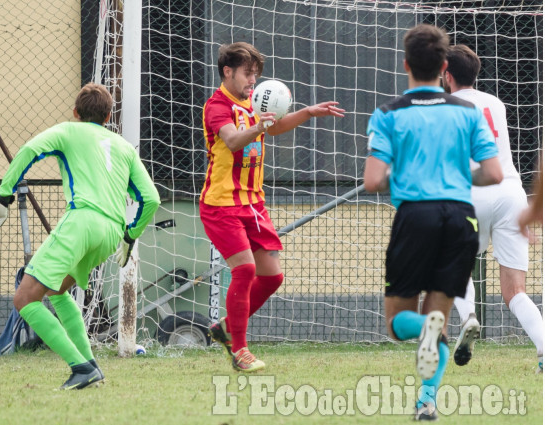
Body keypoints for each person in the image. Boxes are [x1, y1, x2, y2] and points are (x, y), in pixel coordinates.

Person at [0, 83, 160, 389]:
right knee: (58, 291)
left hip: (82, 222)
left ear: (75, 113)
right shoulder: (124, 147)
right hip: (111, 232)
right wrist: (129, 237)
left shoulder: (68, 131)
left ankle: (81, 368)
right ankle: (92, 368)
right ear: (109, 115)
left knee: (24, 298)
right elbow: (151, 198)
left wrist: (3, 197)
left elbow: (28, 151)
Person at [363, 25, 503, 420]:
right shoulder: (466, 111)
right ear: (444, 68)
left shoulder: (389, 113)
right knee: (437, 319)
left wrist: (408, 175)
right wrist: (457, 174)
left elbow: (373, 181)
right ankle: (427, 402)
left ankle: (424, 335)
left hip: (416, 217)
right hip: (461, 220)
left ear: (406, 64)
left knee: (397, 324)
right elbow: (493, 173)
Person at [203, 42, 345, 372]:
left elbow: (274, 127)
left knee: (272, 276)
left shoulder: (252, 101)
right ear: (228, 72)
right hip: (221, 204)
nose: (253, 81)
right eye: (247, 74)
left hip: (253, 203)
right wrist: (257, 125)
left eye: (256, 75)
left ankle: (225, 328)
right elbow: (234, 140)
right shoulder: (217, 106)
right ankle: (240, 350)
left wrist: (308, 112)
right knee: (245, 270)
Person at [443, 45, 543, 372]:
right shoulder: (496, 103)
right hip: (510, 194)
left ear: (446, 73)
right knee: (514, 290)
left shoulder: (444, 105)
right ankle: (543, 350)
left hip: (470, 191)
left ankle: (469, 316)